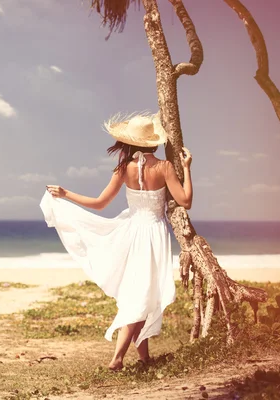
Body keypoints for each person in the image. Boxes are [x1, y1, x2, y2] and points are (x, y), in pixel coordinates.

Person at [40, 112, 193, 371]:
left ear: (130, 142)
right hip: (154, 233)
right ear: (153, 143)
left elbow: (99, 203)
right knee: (142, 294)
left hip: (131, 231)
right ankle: (118, 357)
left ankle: (143, 358)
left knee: (138, 292)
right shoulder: (165, 167)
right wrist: (187, 169)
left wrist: (66, 194)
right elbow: (186, 201)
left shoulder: (124, 169)